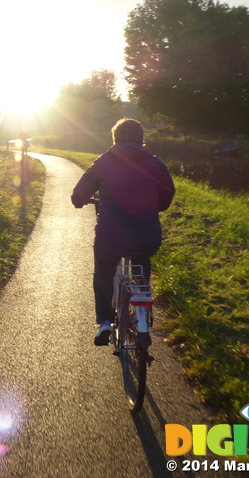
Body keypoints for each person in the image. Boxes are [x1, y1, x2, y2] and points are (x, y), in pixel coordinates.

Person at [71, 118, 175, 346]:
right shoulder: (157, 164)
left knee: (103, 273)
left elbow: (79, 194)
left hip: (111, 238)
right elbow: (167, 198)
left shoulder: (104, 162)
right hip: (146, 236)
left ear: (115, 138)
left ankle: (105, 322)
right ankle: (142, 295)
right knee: (141, 258)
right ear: (141, 139)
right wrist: (151, 206)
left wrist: (80, 201)